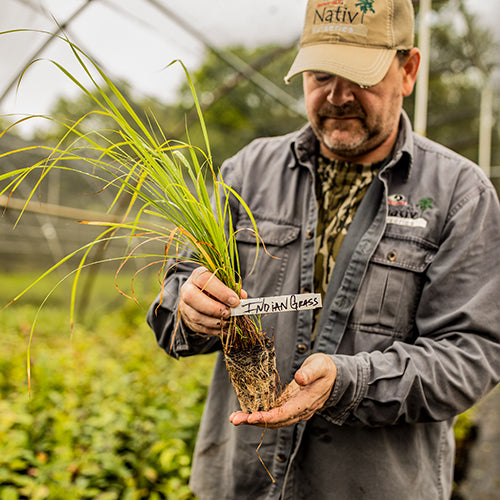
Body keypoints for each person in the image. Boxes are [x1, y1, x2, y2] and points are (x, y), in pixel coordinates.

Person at [147, 0, 500, 498]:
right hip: (243, 483)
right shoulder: (248, 173)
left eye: (360, 76)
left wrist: (349, 382)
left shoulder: (459, 195)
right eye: (320, 75)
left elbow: (472, 354)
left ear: (408, 69)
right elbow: (174, 305)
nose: (337, 96)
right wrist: (186, 306)